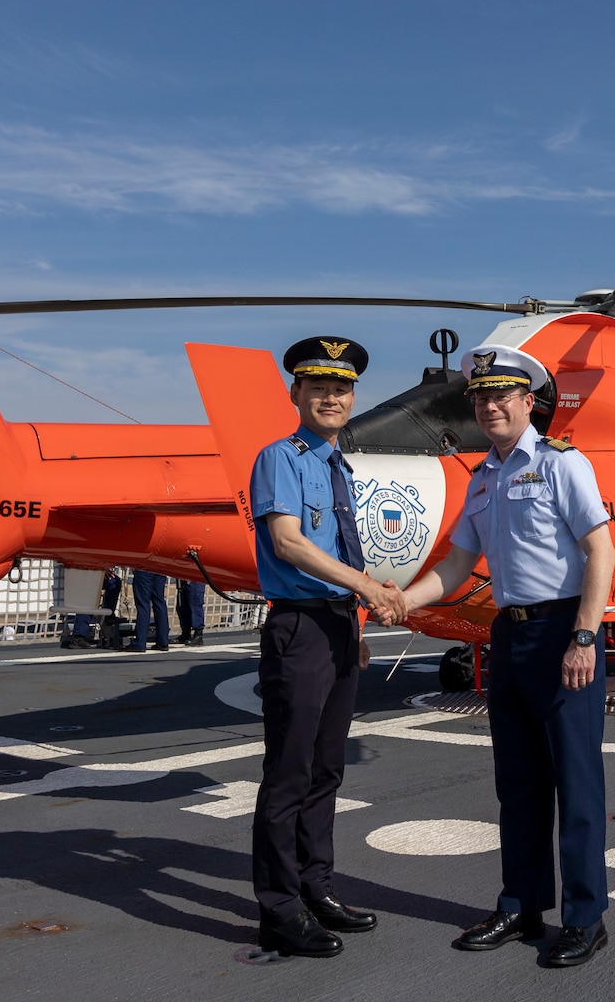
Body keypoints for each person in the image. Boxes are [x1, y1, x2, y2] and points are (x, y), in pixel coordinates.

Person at [401, 343, 615, 969]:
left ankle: (586, 917)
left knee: (576, 783)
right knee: (517, 783)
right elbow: (458, 565)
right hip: (508, 634)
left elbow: (600, 552)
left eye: (502, 395)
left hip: (561, 632)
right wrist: (398, 602)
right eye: (481, 396)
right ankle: (522, 904)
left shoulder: (560, 465)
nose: (490, 405)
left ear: (529, 402)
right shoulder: (483, 478)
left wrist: (583, 636)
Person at [247, 334, 407, 958]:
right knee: (288, 773)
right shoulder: (280, 457)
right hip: (299, 628)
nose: (332, 398)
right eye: (320, 388)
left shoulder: (337, 465)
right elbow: (288, 544)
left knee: (327, 769)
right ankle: (280, 910)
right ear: (297, 394)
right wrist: (369, 588)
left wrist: (357, 624)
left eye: (341, 389)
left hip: (338, 627)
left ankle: (316, 888)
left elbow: (339, 547)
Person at [130, 569, 170, 652]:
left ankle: (140, 642)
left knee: (143, 605)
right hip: (159, 569)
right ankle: (163, 641)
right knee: (159, 602)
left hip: (144, 568)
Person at [175, 578, 206, 646]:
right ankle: (186, 632)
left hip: (196, 576)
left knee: (195, 603)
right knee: (182, 604)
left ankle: (198, 634)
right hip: (183, 576)